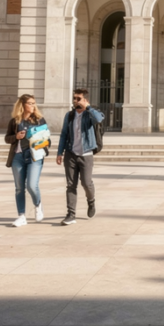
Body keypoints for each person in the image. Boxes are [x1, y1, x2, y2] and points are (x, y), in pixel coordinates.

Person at [55, 88, 104, 225]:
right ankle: (71, 214)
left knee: (86, 183)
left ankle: (91, 201)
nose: (75, 101)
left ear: (85, 100)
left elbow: (99, 119)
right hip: (70, 153)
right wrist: (60, 152)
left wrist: (87, 107)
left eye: (78, 99)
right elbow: (64, 134)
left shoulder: (90, 115)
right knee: (71, 185)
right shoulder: (69, 115)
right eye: (74, 98)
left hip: (86, 154)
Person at [4, 94, 47, 227]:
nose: (33, 106)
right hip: (17, 157)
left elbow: (47, 140)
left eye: (34, 103)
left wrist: (39, 142)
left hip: (34, 156)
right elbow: (7, 138)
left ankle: (38, 205)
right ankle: (22, 216)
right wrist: (16, 136)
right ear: (22, 105)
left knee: (31, 185)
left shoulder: (39, 120)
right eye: (30, 103)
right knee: (19, 188)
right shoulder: (15, 121)